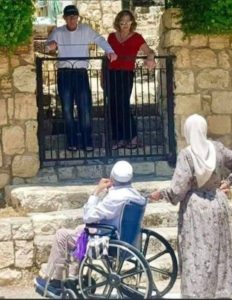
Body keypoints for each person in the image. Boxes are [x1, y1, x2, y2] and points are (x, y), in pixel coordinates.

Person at [150, 114, 232, 299]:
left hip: (196, 208)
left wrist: (162, 194)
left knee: (196, 250)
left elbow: (178, 190)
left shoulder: (187, 155)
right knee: (218, 249)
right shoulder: (217, 148)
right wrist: (229, 182)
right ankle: (219, 291)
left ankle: (198, 293)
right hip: (217, 203)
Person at [34, 160, 146, 297]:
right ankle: (75, 276)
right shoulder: (137, 196)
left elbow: (88, 216)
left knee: (62, 235)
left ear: (112, 177)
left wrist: (96, 192)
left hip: (107, 240)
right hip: (125, 238)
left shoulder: (114, 198)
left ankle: (55, 282)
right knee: (79, 230)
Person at [46, 5, 117, 152]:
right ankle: (72, 141)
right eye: (69, 17)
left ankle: (87, 141)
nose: (72, 19)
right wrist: (50, 46)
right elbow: (48, 45)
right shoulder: (58, 31)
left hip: (80, 73)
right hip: (64, 73)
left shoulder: (85, 29)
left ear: (78, 18)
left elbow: (99, 39)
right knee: (66, 109)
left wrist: (110, 51)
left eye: (74, 16)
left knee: (85, 108)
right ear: (64, 18)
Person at [104, 9, 156, 150]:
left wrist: (150, 58)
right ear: (118, 23)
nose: (125, 24)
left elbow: (149, 51)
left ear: (132, 22)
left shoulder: (137, 37)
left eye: (128, 21)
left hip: (126, 74)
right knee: (113, 106)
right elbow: (106, 57)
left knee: (123, 105)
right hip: (111, 74)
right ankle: (118, 139)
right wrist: (103, 78)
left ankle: (132, 137)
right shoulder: (111, 37)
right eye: (122, 21)